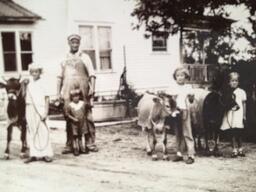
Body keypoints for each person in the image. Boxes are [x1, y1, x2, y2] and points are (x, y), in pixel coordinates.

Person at [57, 34, 97, 154]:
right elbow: (59, 77)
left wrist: (92, 89)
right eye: (72, 43)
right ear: (69, 43)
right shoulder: (64, 58)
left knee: (87, 115)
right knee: (69, 115)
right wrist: (58, 92)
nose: (74, 45)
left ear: (79, 44)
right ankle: (70, 144)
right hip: (68, 89)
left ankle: (90, 143)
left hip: (83, 88)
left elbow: (92, 75)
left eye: (77, 43)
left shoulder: (85, 57)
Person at [24, 63, 53, 164]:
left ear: (40, 72)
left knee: (42, 131)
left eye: (36, 71)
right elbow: (25, 97)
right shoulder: (29, 84)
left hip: (40, 109)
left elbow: (47, 98)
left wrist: (46, 112)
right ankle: (34, 154)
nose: (34, 73)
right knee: (32, 131)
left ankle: (46, 154)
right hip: (29, 109)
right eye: (32, 72)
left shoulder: (43, 83)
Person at [166, 67, 195, 164]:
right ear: (175, 77)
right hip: (175, 112)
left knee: (187, 132)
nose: (180, 77)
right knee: (177, 133)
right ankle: (179, 153)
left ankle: (191, 154)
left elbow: (191, 101)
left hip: (185, 111)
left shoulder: (188, 87)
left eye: (182, 75)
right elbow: (169, 100)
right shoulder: (172, 87)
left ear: (186, 77)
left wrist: (191, 96)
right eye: (177, 75)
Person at [220, 72, 247, 157]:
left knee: (238, 132)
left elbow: (244, 104)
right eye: (232, 81)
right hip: (230, 114)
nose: (234, 82)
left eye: (236, 81)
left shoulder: (241, 92)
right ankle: (234, 149)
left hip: (238, 114)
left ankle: (240, 148)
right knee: (231, 133)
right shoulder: (227, 92)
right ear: (229, 82)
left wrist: (244, 115)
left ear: (238, 82)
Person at [66, 87, 90, 156]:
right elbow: (67, 114)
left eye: (77, 96)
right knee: (75, 136)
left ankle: (82, 148)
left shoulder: (82, 104)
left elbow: (87, 109)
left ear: (79, 96)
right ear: (71, 97)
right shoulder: (70, 105)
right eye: (74, 96)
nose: (75, 98)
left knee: (80, 136)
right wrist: (73, 119)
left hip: (82, 123)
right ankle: (75, 148)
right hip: (74, 124)